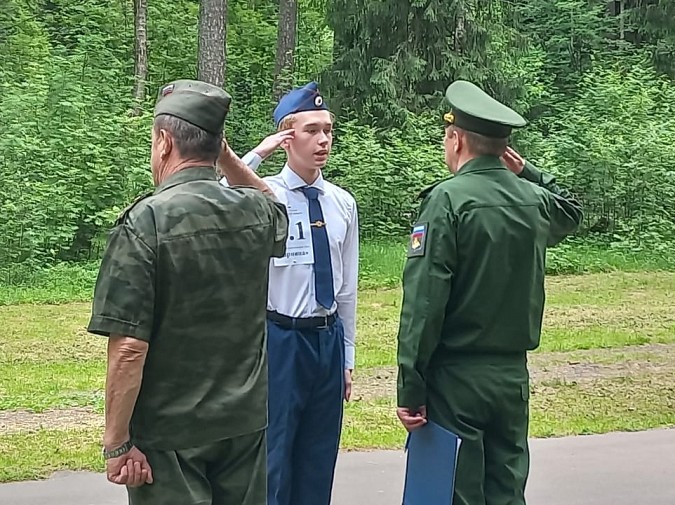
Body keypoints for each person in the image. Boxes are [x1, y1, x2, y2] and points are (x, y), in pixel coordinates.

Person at [87, 79, 289, 505]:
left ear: (163, 143)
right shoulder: (253, 211)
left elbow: (129, 347)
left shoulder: (146, 222)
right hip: (242, 424)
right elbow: (272, 202)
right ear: (217, 146)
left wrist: (117, 442)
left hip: (170, 434)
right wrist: (226, 157)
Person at [395, 80, 583, 505]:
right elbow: (571, 211)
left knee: (454, 494)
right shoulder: (533, 200)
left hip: (456, 379)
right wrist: (528, 172)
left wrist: (411, 387)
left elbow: (425, 303)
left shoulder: (446, 201)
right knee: (506, 493)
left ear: (456, 139)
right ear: (504, 148)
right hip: (511, 378)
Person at [222, 81, 359, 505]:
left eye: (328, 130)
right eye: (311, 130)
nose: (323, 140)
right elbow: (219, 195)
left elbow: (347, 287)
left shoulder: (341, 202)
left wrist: (347, 356)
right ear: (287, 137)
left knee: (319, 456)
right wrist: (258, 153)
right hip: (282, 340)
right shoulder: (266, 194)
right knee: (275, 455)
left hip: (327, 339)